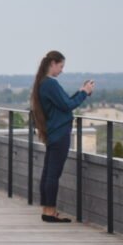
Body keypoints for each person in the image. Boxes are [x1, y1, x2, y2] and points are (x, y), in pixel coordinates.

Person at [30, 51, 94, 223]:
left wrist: (80, 91)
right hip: (59, 134)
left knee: (48, 173)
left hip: (53, 132)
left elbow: (64, 103)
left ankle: (47, 210)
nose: (62, 70)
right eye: (61, 66)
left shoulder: (43, 83)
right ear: (52, 63)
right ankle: (50, 212)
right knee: (53, 174)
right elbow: (68, 105)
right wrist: (85, 93)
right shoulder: (50, 84)